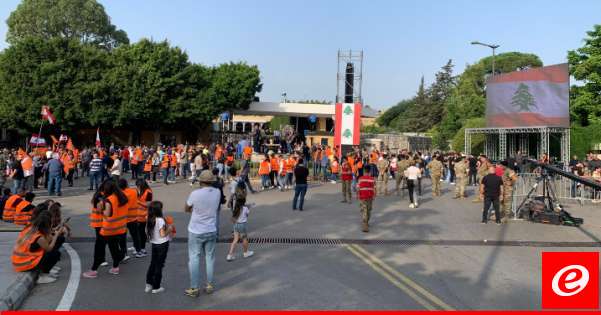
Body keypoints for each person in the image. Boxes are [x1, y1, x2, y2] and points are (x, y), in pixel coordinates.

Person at [185, 170, 220, 297]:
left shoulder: (195, 193)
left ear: (200, 181)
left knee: (194, 258)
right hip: (211, 229)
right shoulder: (217, 192)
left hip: (196, 230)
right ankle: (209, 285)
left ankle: (194, 288)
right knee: (210, 258)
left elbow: (186, 208)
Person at [12, 210, 67, 284]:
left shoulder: (31, 228)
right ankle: (43, 276)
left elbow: (47, 239)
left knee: (50, 250)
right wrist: (56, 235)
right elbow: (49, 248)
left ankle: (45, 270)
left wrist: (55, 231)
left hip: (18, 261)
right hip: (24, 264)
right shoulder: (39, 237)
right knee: (54, 254)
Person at [99, 180, 129, 275]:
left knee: (113, 249)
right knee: (116, 247)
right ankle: (121, 257)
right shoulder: (122, 197)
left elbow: (107, 213)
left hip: (110, 228)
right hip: (121, 226)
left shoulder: (109, 200)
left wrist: (101, 209)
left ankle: (116, 267)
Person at [145, 201, 174, 294]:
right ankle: (156, 287)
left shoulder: (149, 218)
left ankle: (148, 284)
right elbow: (162, 234)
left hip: (154, 243)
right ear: (158, 210)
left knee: (153, 263)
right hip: (162, 244)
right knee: (159, 265)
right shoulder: (160, 220)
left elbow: (147, 231)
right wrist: (169, 229)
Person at [82, 188, 110, 278]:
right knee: (101, 242)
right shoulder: (100, 200)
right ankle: (102, 259)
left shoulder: (96, 197)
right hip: (100, 223)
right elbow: (100, 210)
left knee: (101, 242)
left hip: (97, 223)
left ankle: (102, 259)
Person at [119, 179, 145, 258]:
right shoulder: (133, 191)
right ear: (126, 184)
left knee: (122, 237)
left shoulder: (119, 194)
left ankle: (124, 254)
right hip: (133, 218)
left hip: (122, 219)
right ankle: (138, 251)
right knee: (135, 236)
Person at [226, 195, 254, 261]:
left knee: (235, 240)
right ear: (244, 201)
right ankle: (246, 252)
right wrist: (248, 208)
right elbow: (247, 216)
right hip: (242, 225)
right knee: (244, 239)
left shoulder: (235, 208)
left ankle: (230, 255)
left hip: (236, 225)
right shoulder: (245, 208)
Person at [136, 179, 153, 256]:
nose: (137, 188)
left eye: (138, 186)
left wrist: (137, 202)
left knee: (142, 233)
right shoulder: (139, 191)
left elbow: (148, 204)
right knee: (139, 232)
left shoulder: (148, 192)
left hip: (144, 215)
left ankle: (143, 249)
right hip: (137, 215)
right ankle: (138, 247)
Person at [357, 165, 376, 232]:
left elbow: (358, 188)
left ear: (364, 171)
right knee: (368, 210)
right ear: (369, 171)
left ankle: (365, 224)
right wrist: (374, 196)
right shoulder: (372, 179)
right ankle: (366, 222)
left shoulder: (360, 178)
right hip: (370, 197)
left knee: (364, 210)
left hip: (362, 197)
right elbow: (374, 188)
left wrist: (357, 195)